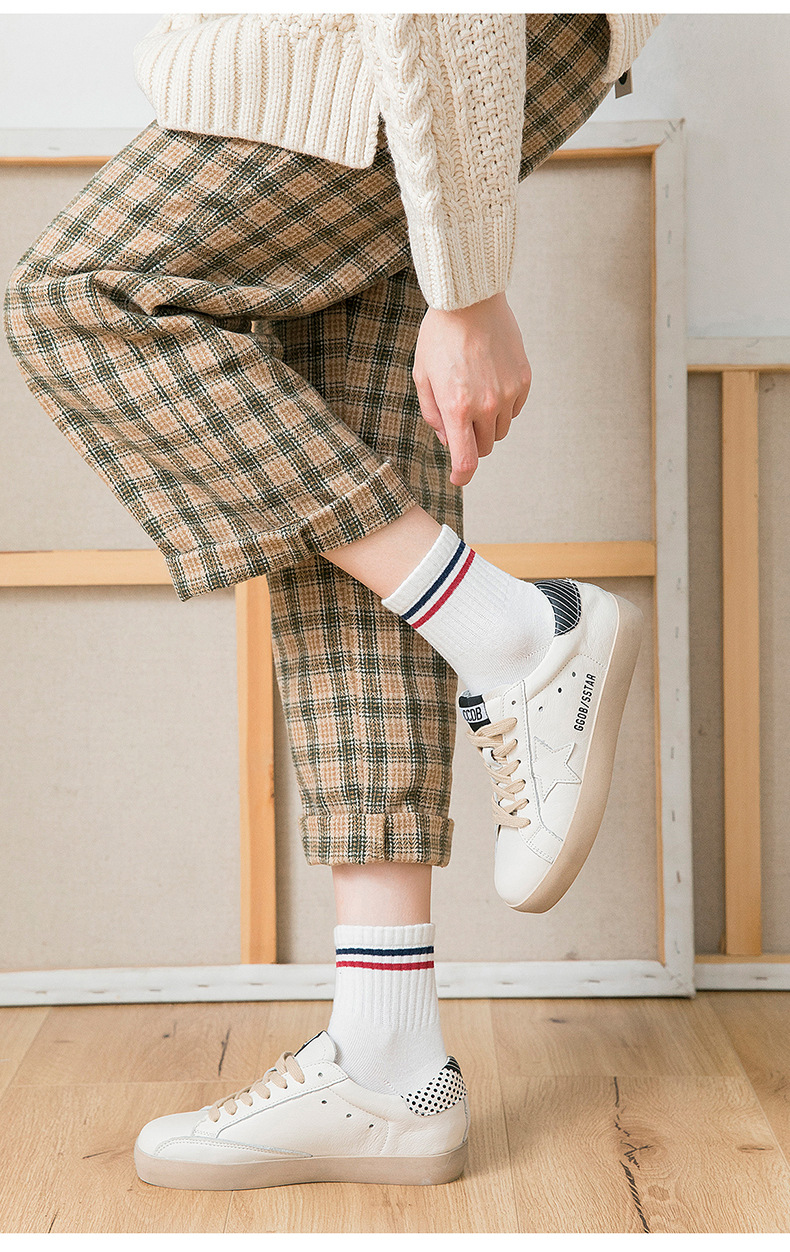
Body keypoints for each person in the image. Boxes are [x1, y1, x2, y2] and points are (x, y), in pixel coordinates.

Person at [3, 12, 662, 1191]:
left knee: (80, 293)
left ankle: (510, 633)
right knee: (351, 493)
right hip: (360, 59)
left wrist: (468, 283)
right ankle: (387, 1064)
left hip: (420, 36)